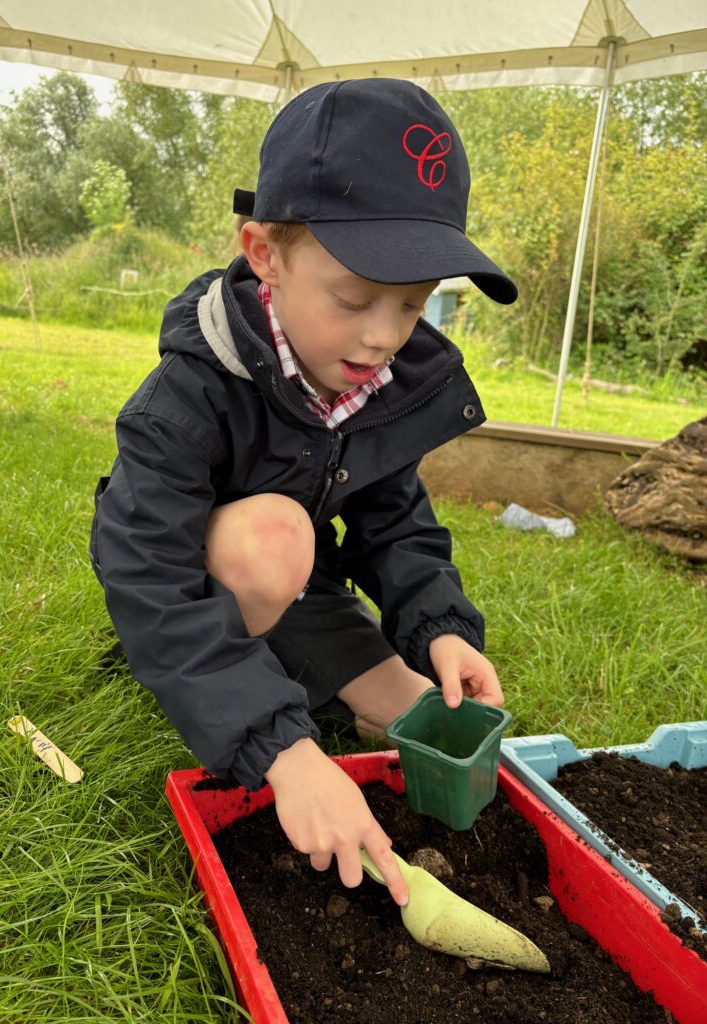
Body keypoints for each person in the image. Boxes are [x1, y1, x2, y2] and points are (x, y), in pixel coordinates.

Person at [90, 78, 517, 908]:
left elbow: (397, 524)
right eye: (356, 297)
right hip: (206, 575)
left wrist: (441, 629)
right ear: (265, 256)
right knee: (276, 539)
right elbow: (147, 576)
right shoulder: (183, 398)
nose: (385, 336)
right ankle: (231, 685)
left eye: (413, 303)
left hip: (302, 591)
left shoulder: (370, 379)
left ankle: (291, 664)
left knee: (416, 718)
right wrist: (282, 752)